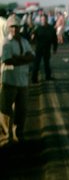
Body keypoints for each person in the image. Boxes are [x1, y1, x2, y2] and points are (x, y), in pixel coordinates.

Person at [0, 15, 34, 145]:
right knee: (5, 111)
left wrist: (18, 59)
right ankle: (5, 138)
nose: (14, 29)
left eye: (16, 27)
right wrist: (24, 59)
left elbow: (32, 56)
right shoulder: (6, 43)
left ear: (20, 28)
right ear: (8, 28)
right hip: (9, 81)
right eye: (12, 27)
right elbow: (7, 60)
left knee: (22, 111)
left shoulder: (24, 42)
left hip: (23, 82)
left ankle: (18, 136)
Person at [31, 14, 58, 83]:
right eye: (42, 19)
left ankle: (48, 77)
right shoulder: (38, 28)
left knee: (47, 64)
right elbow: (32, 37)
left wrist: (55, 48)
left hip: (47, 49)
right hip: (39, 49)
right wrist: (32, 36)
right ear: (40, 20)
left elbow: (55, 40)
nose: (43, 21)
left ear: (47, 19)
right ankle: (34, 79)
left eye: (45, 19)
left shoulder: (51, 29)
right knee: (36, 64)